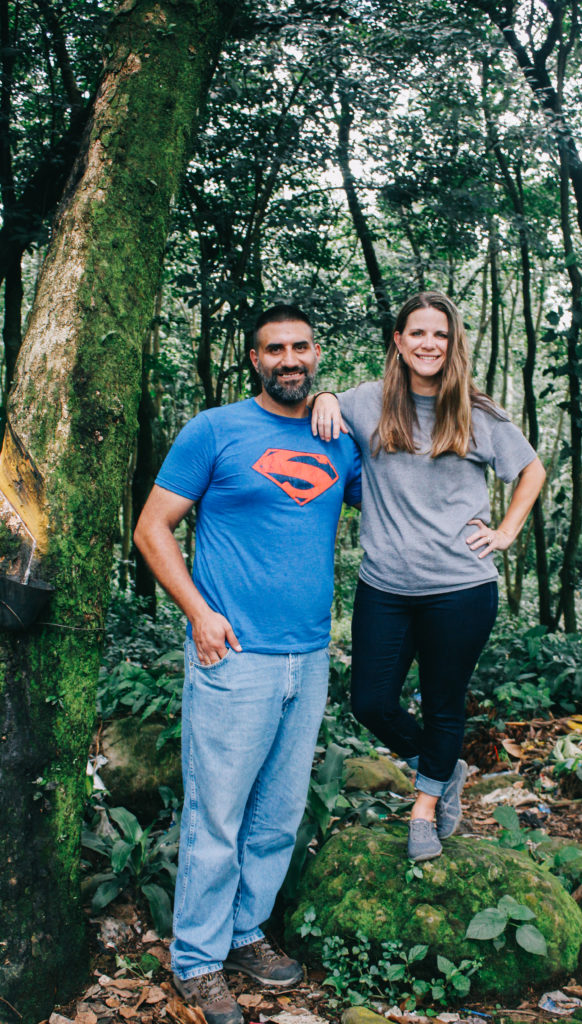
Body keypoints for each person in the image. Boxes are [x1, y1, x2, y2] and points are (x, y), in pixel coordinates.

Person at [134, 304, 361, 1024]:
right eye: (274, 350)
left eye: (300, 347)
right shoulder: (214, 430)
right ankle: (196, 961)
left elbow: (400, 485)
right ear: (254, 359)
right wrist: (200, 613)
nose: (288, 359)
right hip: (233, 657)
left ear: (316, 353)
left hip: (309, 654)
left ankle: (242, 932)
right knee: (218, 815)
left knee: (277, 815)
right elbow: (151, 527)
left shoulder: (338, 436)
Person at [310, 291, 545, 863]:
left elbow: (531, 469)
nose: (429, 344)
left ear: (452, 343)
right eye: (418, 333)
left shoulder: (475, 412)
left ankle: (424, 808)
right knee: (370, 701)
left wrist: (507, 532)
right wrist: (320, 394)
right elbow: (327, 404)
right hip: (384, 585)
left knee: (444, 704)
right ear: (399, 340)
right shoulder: (369, 402)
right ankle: (444, 768)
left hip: (461, 587)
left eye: (440, 335)